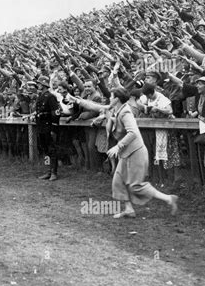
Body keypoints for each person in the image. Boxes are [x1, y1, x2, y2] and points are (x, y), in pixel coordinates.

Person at [71, 88, 178, 218]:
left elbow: (133, 132)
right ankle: (129, 209)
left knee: (135, 186)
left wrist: (118, 146)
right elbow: (95, 106)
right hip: (127, 152)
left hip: (136, 151)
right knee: (118, 181)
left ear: (116, 99)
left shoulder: (125, 112)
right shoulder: (115, 109)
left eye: (111, 96)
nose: (109, 98)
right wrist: (77, 100)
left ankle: (168, 198)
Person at [35, 75, 61, 181]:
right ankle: (48, 171)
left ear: (44, 84)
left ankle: (54, 172)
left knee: (52, 150)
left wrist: (54, 128)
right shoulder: (40, 96)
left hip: (48, 126)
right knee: (45, 149)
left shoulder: (51, 97)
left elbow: (56, 113)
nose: (38, 85)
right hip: (41, 126)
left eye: (39, 83)